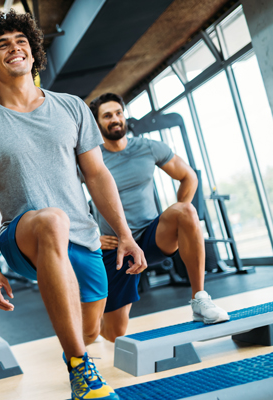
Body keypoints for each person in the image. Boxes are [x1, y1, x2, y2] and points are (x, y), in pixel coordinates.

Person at [0, 10, 145, 400]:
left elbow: (96, 176)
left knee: (88, 330)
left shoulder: (72, 107)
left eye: (21, 40)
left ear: (33, 53)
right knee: (51, 221)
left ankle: (77, 355)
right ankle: (81, 368)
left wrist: (125, 235)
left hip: (82, 235)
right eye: (2, 44)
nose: (15, 47)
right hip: (23, 234)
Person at [89, 93, 230, 342]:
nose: (115, 119)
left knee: (185, 212)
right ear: (97, 123)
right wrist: (91, 236)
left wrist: (183, 222)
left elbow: (189, 176)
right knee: (113, 333)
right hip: (116, 246)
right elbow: (64, 198)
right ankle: (92, 322)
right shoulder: (90, 158)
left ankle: (200, 299)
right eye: (107, 115)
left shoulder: (148, 147)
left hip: (151, 236)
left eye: (118, 113)